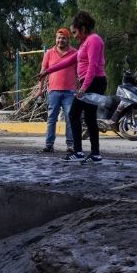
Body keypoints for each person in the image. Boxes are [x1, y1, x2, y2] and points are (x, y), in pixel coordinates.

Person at [39, 11, 107, 164]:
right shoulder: (85, 42)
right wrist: (48, 71)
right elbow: (70, 60)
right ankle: (94, 154)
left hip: (94, 82)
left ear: (83, 28)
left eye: (75, 32)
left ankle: (78, 152)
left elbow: (92, 67)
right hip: (91, 82)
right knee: (89, 118)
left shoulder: (94, 40)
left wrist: (83, 87)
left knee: (74, 114)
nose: (74, 36)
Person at [38, 28, 77, 153]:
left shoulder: (75, 53)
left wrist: (82, 88)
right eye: (58, 38)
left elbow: (80, 72)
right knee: (51, 118)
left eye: (63, 38)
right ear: (56, 39)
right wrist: (40, 90)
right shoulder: (49, 53)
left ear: (68, 39)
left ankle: (70, 145)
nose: (60, 40)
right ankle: (49, 145)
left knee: (70, 118)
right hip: (53, 91)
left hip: (70, 92)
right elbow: (42, 73)